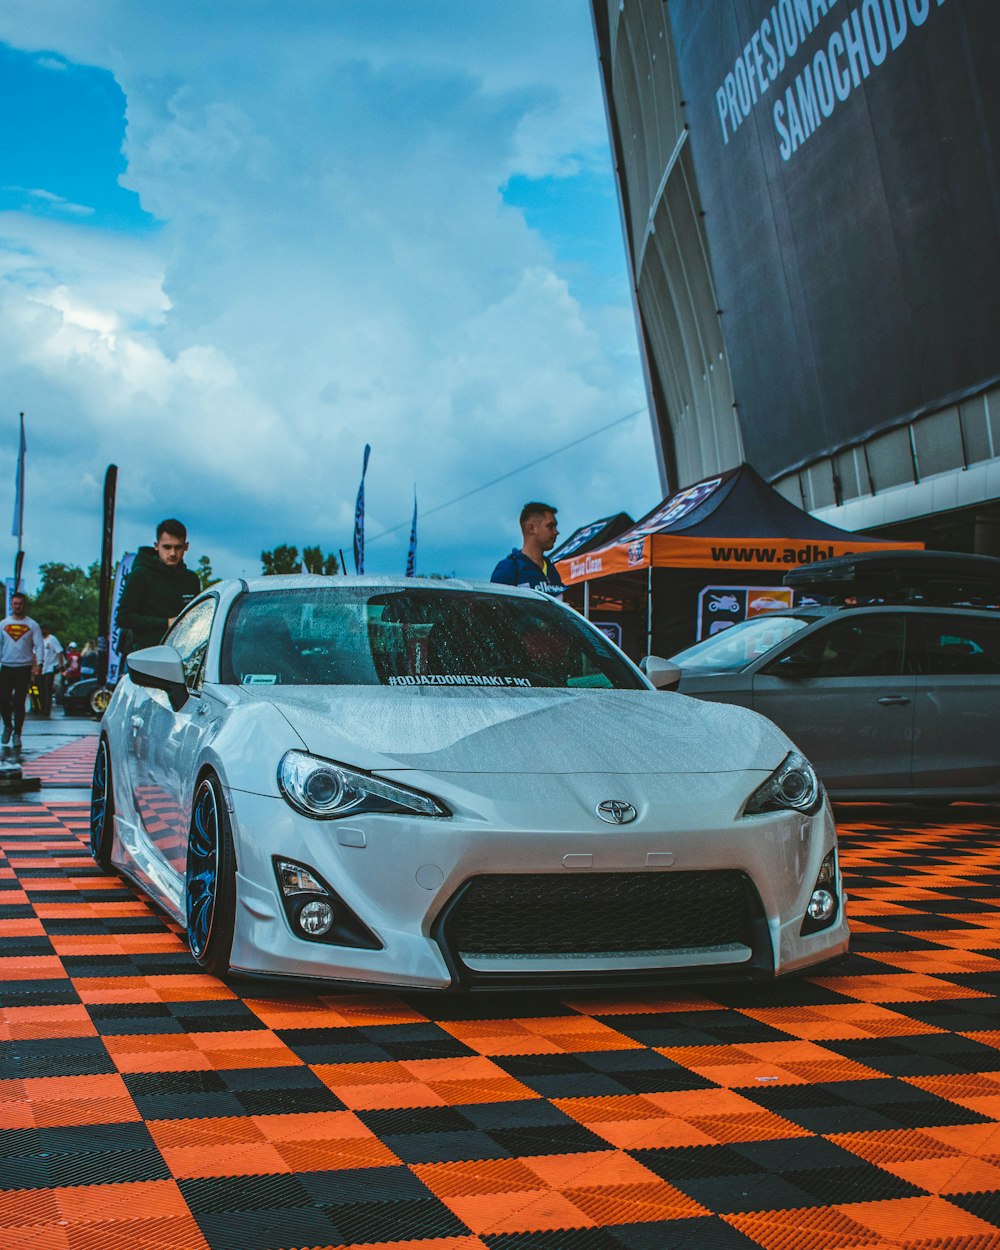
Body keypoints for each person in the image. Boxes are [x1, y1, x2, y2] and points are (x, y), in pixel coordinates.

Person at [117, 518, 201, 655]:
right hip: (145, 656)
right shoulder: (140, 575)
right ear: (156, 546)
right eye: (167, 547)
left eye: (178, 547)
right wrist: (166, 623)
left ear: (186, 547)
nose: (173, 553)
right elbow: (124, 618)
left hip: (181, 656)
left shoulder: (191, 580)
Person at [491, 501, 566, 597]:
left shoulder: (552, 570)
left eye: (556, 526)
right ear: (531, 528)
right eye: (550, 526)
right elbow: (494, 608)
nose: (556, 532)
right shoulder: (509, 568)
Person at [0, 592, 43, 747]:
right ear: (11, 605)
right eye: (15, 603)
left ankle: (17, 733)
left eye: (20, 604)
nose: (17, 606)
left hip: (23, 668)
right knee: (3, 700)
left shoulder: (32, 625)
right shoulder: (3, 624)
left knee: (19, 702)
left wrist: (39, 663)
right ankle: (8, 725)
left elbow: (39, 645)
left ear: (25, 605)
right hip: (6, 666)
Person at [38, 626, 65, 717]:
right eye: (41, 629)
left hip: (50, 667)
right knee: (40, 689)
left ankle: (47, 709)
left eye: (44, 629)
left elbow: (59, 651)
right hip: (40, 667)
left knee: (47, 688)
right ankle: (42, 708)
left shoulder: (52, 639)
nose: (42, 631)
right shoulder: (38, 639)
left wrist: (60, 664)